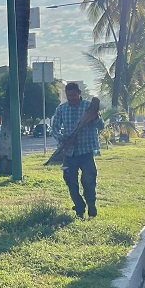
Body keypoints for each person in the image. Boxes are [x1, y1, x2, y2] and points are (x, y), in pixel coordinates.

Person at [51, 82, 104, 219]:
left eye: (73, 95)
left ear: (79, 92)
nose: (71, 98)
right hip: (69, 153)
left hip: (86, 152)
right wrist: (61, 138)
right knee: (70, 181)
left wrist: (95, 117)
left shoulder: (88, 106)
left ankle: (91, 205)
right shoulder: (61, 109)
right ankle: (79, 208)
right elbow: (54, 128)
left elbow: (101, 125)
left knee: (88, 180)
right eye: (69, 96)